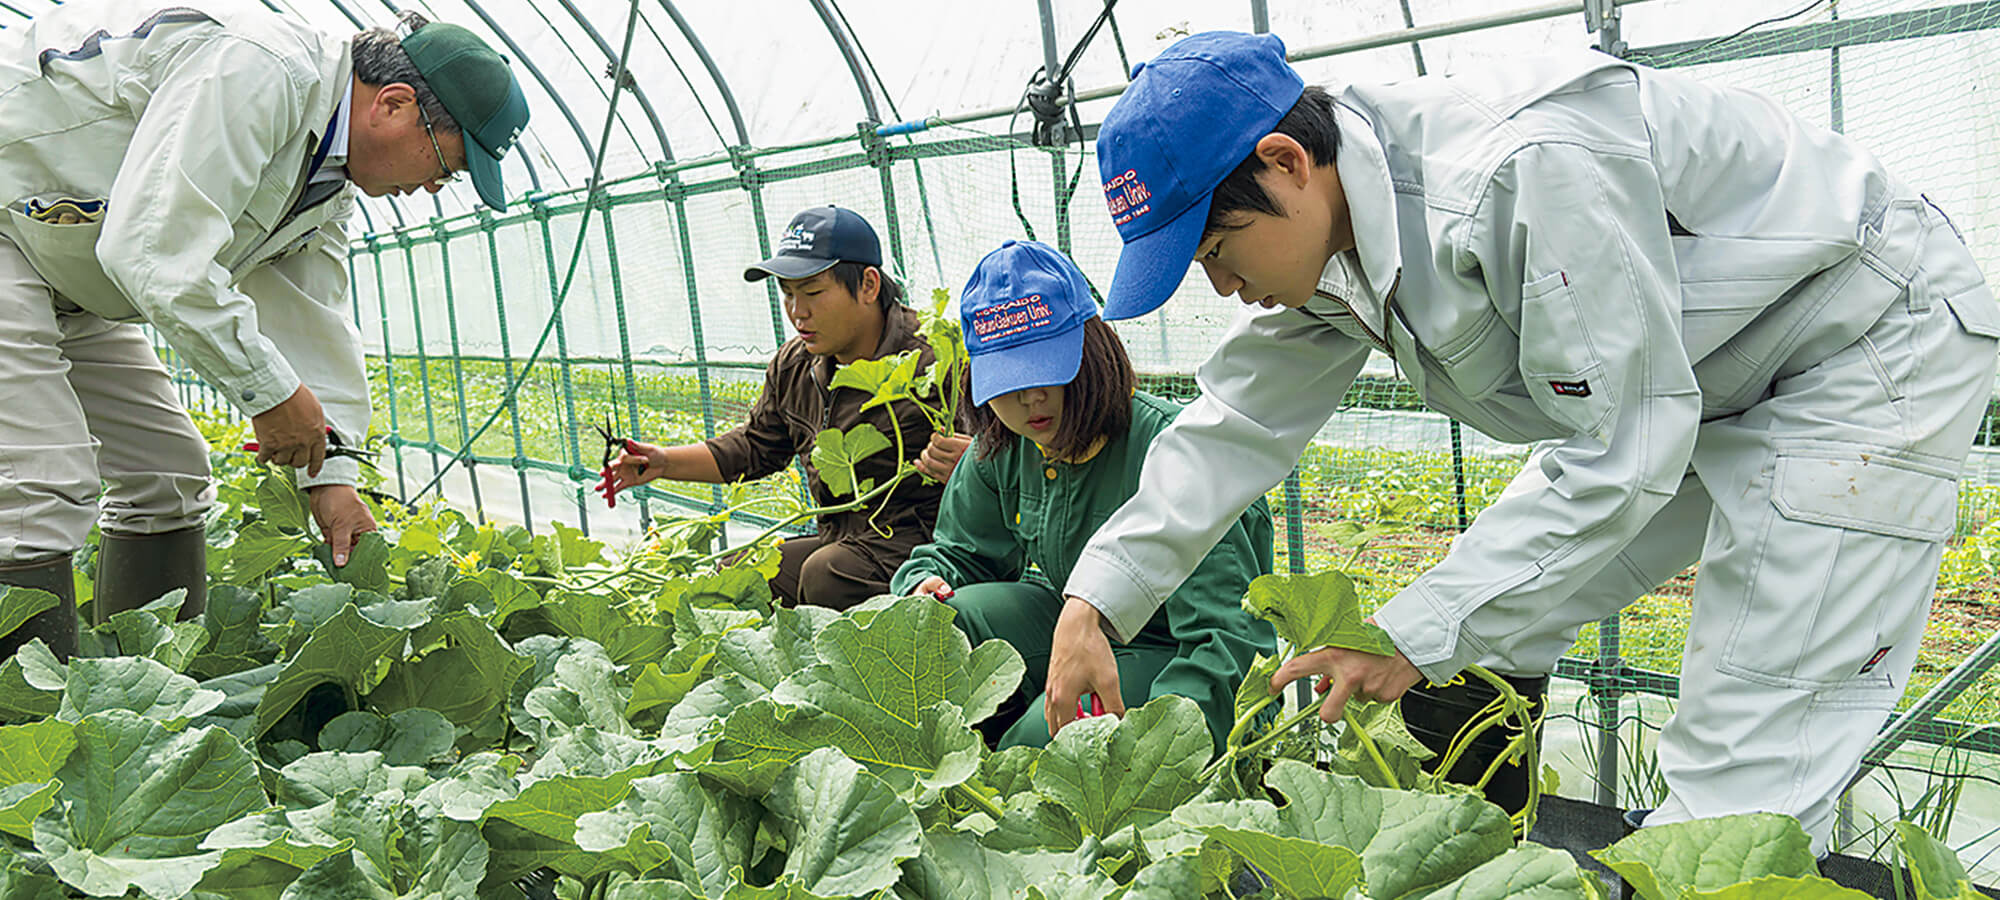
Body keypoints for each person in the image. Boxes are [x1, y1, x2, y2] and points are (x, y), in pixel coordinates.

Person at [1047, 31, 1999, 851]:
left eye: (1218, 253)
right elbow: (1235, 425)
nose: (1220, 288)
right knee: (1490, 632)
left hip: (1861, 343)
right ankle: (1459, 865)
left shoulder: (1513, 170)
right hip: (1699, 381)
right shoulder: (1327, 239)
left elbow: (1624, 453)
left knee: (1745, 761)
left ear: (1287, 162)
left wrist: (1413, 635)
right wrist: (1093, 602)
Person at [0, 0, 530, 659]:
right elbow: (154, 251)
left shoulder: (327, 185)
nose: (431, 189)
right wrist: (272, 397)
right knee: (39, 485)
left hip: (68, 268)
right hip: (10, 229)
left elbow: (313, 324)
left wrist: (332, 478)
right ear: (392, 104)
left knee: (169, 477)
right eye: (444, 167)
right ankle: (24, 737)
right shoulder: (264, 67)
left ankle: (140, 700)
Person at [889, 239, 1275, 753]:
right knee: (944, 619)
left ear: (1094, 351)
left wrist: (1178, 748)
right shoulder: (1003, 449)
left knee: (1033, 746)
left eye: (1049, 370)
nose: (1030, 398)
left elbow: (1227, 640)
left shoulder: (1180, 453)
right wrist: (924, 583)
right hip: (1072, 622)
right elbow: (959, 553)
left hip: (1173, 649)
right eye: (1009, 381)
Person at [602, 206, 969, 610]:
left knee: (826, 574)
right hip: (845, 542)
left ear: (868, 285)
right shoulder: (796, 364)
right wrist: (663, 462)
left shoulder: (939, 357)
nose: (797, 312)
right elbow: (756, 447)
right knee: (738, 576)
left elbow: (1013, 451)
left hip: (930, 554)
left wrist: (973, 462)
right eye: (788, 294)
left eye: (812, 292)